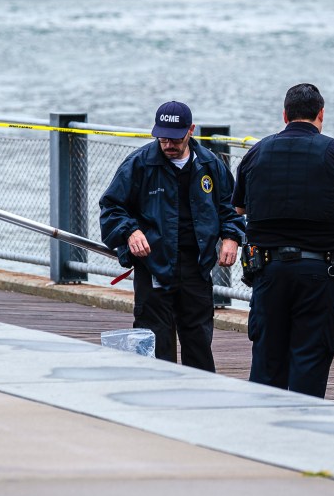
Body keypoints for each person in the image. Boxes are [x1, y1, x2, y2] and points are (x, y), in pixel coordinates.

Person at [232, 83, 334, 397]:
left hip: (268, 273)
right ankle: (303, 433)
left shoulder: (257, 151)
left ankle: (262, 434)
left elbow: (240, 206)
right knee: (310, 362)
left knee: (267, 362)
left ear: (284, 114)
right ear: (320, 114)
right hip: (319, 274)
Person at [99, 100, 244, 372]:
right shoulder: (139, 164)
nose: (169, 144)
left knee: (198, 344)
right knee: (155, 344)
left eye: (175, 138)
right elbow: (110, 208)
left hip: (196, 269)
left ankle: (200, 401)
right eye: (163, 138)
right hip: (154, 265)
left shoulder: (210, 164)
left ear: (191, 131)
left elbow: (230, 209)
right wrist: (130, 231)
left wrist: (231, 238)